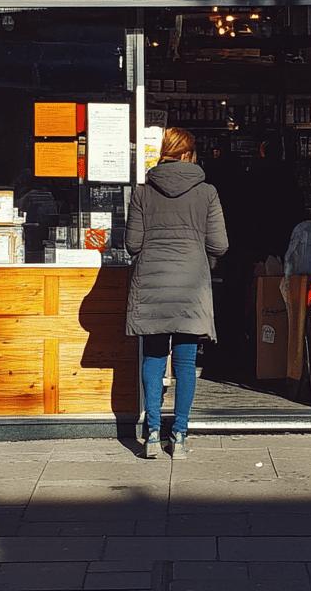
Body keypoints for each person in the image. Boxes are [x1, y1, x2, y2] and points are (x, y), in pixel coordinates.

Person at [125, 127, 228, 459]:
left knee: (154, 357)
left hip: (152, 285)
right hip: (190, 287)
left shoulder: (142, 192)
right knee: (185, 362)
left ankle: (153, 434)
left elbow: (132, 244)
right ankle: (180, 435)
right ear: (189, 154)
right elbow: (220, 244)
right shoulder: (207, 192)